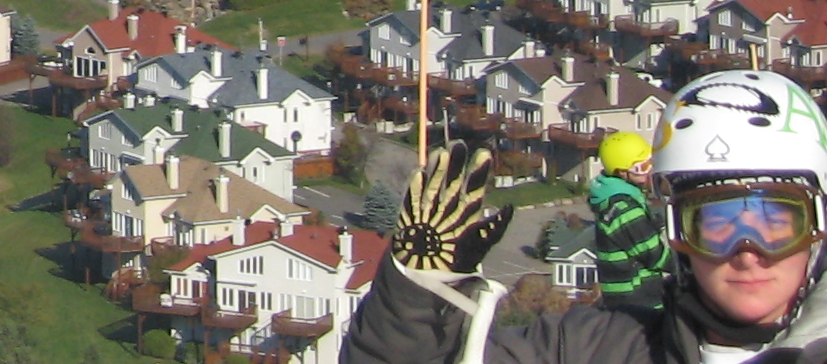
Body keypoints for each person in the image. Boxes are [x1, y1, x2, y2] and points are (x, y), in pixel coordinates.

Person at [344, 68, 827, 364]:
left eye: (777, 221)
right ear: (679, 233)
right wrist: (416, 295)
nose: (749, 254)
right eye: (716, 224)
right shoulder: (589, 351)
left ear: (817, 229)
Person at [591, 130, 668, 312]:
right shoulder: (624, 210)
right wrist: (694, 263)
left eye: (650, 163)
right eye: (641, 168)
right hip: (637, 304)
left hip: (628, 300)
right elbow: (656, 256)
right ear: (622, 173)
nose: (649, 171)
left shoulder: (616, 199)